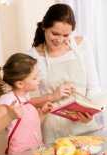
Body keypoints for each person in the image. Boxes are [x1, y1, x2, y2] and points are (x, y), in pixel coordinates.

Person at [28, 3, 101, 144]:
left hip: (84, 125)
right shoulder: (33, 56)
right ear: (44, 26)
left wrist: (89, 113)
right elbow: (26, 102)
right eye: (55, 33)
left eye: (66, 35)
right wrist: (52, 96)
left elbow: (93, 86)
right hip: (53, 132)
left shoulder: (82, 45)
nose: (60, 40)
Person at [0, 53, 53, 155]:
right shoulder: (8, 100)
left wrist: (42, 114)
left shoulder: (25, 99)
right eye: (35, 78)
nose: (39, 79)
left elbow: (28, 129)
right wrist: (9, 116)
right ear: (20, 84)